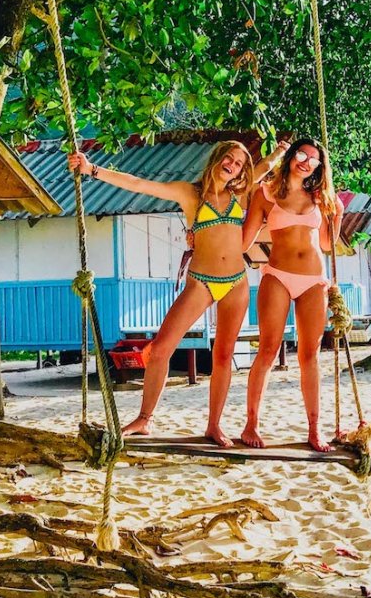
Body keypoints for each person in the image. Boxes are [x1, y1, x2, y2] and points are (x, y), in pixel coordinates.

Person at [68, 138, 286, 446]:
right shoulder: (190, 193)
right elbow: (139, 184)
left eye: (239, 163)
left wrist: (280, 152)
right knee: (160, 348)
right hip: (201, 280)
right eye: (230, 158)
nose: (233, 166)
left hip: (236, 282)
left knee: (223, 355)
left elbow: (264, 168)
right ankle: (145, 418)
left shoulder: (241, 193)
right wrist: (92, 170)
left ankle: (213, 425)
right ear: (218, 157)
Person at [241, 138, 342, 451]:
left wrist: (336, 216)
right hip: (278, 276)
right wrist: (205, 240)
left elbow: (327, 245)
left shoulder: (319, 197)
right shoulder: (265, 193)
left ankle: (314, 429)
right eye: (301, 154)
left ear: (319, 167)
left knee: (309, 356)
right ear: (290, 156)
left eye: (313, 159)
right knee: (268, 350)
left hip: (313, 279)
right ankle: (251, 424)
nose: (306, 162)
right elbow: (244, 241)